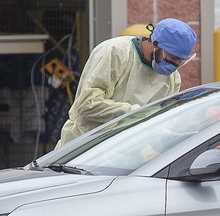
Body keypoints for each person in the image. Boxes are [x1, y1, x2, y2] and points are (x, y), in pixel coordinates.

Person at [55, 18, 197, 148]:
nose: (175, 65)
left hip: (126, 155)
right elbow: (87, 104)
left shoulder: (172, 78)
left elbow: (161, 124)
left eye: (180, 61)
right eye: (172, 57)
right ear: (155, 44)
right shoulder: (115, 52)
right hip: (83, 148)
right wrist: (137, 113)